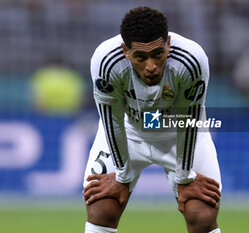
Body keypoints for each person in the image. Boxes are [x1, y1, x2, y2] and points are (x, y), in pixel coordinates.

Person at [83, 6, 222, 233]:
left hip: (178, 131)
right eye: (140, 57)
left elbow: (190, 118)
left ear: (167, 43)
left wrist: (185, 177)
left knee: (201, 214)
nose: (151, 66)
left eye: (158, 53)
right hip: (128, 131)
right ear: (125, 51)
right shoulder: (107, 61)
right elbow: (112, 121)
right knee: (101, 208)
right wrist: (122, 174)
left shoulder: (190, 60)